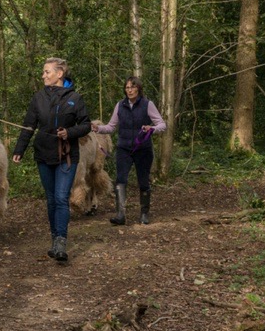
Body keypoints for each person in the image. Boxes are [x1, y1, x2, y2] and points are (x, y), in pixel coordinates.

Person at [12, 57, 91, 263]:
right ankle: (54, 238)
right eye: (43, 72)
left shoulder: (74, 98)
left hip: (66, 156)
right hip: (44, 154)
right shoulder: (38, 98)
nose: (43, 75)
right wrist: (19, 149)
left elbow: (86, 125)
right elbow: (29, 125)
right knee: (51, 199)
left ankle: (61, 242)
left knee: (61, 197)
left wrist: (69, 132)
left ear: (59, 73)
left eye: (47, 72)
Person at [96, 76, 167, 226]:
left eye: (132, 87)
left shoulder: (148, 104)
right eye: (127, 88)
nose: (129, 90)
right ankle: (120, 215)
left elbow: (162, 125)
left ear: (139, 89)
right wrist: (97, 128)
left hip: (143, 149)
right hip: (124, 148)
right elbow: (110, 127)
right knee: (121, 180)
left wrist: (151, 128)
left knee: (143, 181)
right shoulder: (120, 105)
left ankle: (144, 214)